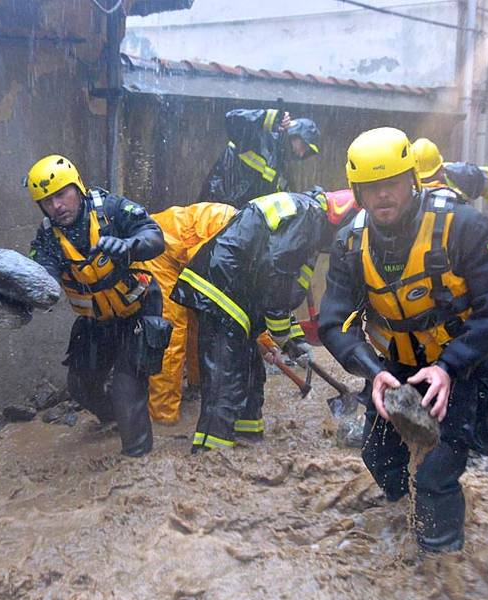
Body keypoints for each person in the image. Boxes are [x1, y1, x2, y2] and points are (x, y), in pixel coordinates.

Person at [318, 128, 488, 552]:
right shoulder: (350, 243)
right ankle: (401, 520)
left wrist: (450, 366)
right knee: (377, 455)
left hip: (465, 365)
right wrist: (373, 373)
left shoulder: (462, 226)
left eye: (392, 183)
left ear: (412, 179)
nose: (383, 196)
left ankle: (441, 561)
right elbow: (334, 322)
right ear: (356, 191)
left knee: (434, 474)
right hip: (398, 368)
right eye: (371, 188)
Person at [171, 188, 358, 451]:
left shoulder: (306, 217)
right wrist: (283, 337)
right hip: (222, 290)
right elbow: (277, 277)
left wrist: (293, 340)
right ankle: (209, 458)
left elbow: (284, 292)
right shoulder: (308, 218)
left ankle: (249, 442)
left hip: (236, 296)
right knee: (226, 380)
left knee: (250, 375)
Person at [25, 155, 169, 458]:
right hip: (97, 319)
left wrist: (130, 246)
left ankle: (138, 460)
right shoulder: (48, 238)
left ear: (77, 187)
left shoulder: (113, 209)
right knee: (80, 386)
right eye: (47, 201)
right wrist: (20, 292)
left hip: (138, 311)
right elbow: (43, 275)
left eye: (61, 195)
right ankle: (114, 420)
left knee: (127, 388)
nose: (57, 206)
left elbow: (154, 235)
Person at [145, 202, 239, 424]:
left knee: (199, 319)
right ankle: (163, 414)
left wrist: (267, 342)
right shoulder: (233, 240)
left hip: (186, 255)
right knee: (172, 332)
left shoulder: (248, 234)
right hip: (160, 250)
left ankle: (196, 385)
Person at [200, 108, 321, 208]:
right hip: (216, 206)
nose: (302, 154)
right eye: (304, 146)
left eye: (307, 152)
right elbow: (232, 118)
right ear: (295, 133)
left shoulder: (281, 165)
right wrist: (269, 117)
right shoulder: (260, 138)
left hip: (238, 219)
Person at [411, 137, 488, 218]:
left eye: (430, 178)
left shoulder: (463, 176)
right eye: (422, 180)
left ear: (441, 169)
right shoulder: (404, 189)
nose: (429, 184)